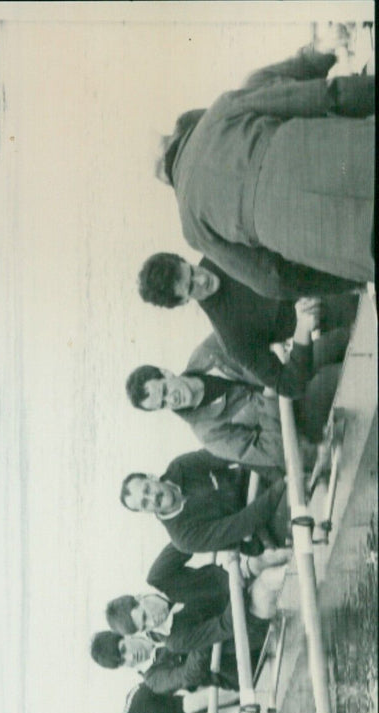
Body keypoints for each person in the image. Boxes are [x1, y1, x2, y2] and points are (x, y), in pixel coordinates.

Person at [155, 47, 375, 294]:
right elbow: (319, 96)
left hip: (304, 230)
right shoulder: (216, 113)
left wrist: (349, 284)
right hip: (316, 149)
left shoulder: (191, 226)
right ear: (178, 135)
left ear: (170, 182)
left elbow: (270, 280)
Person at [137, 251, 358, 396]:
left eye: (192, 271)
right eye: (191, 287)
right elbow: (289, 385)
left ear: (184, 260)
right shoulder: (232, 338)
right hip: (349, 305)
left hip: (342, 254)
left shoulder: (222, 249)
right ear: (184, 301)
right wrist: (302, 327)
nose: (202, 279)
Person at [124, 332, 341, 468]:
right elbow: (273, 452)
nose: (171, 400)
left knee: (336, 340)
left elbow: (260, 330)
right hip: (299, 416)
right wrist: (270, 398)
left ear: (166, 373)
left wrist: (283, 344)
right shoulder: (209, 434)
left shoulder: (208, 351)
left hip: (294, 368)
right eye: (163, 404)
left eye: (164, 391)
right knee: (332, 377)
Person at [104, 544, 288, 692]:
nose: (153, 622)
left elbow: (188, 540)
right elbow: (226, 626)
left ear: (140, 597)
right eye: (145, 626)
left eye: (145, 615)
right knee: (268, 581)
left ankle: (305, 546)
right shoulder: (175, 640)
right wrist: (236, 585)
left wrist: (230, 549)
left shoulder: (159, 576)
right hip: (244, 618)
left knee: (263, 559)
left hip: (232, 577)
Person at [119, 450, 289, 555]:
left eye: (147, 490)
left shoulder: (181, 466)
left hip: (259, 479)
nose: (152, 498)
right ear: (145, 512)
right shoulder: (183, 537)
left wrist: (278, 475)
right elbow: (242, 523)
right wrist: (283, 484)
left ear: (151, 477)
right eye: (144, 503)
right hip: (264, 527)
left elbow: (230, 454)